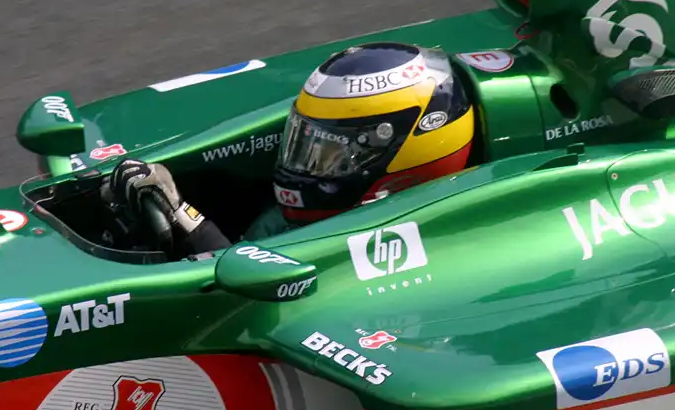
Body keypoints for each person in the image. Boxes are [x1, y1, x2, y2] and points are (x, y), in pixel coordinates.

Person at [108, 41, 477, 257]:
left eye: (333, 153)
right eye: (306, 142)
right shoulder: (279, 225)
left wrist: (182, 216)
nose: (308, 164)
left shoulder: (445, 243)